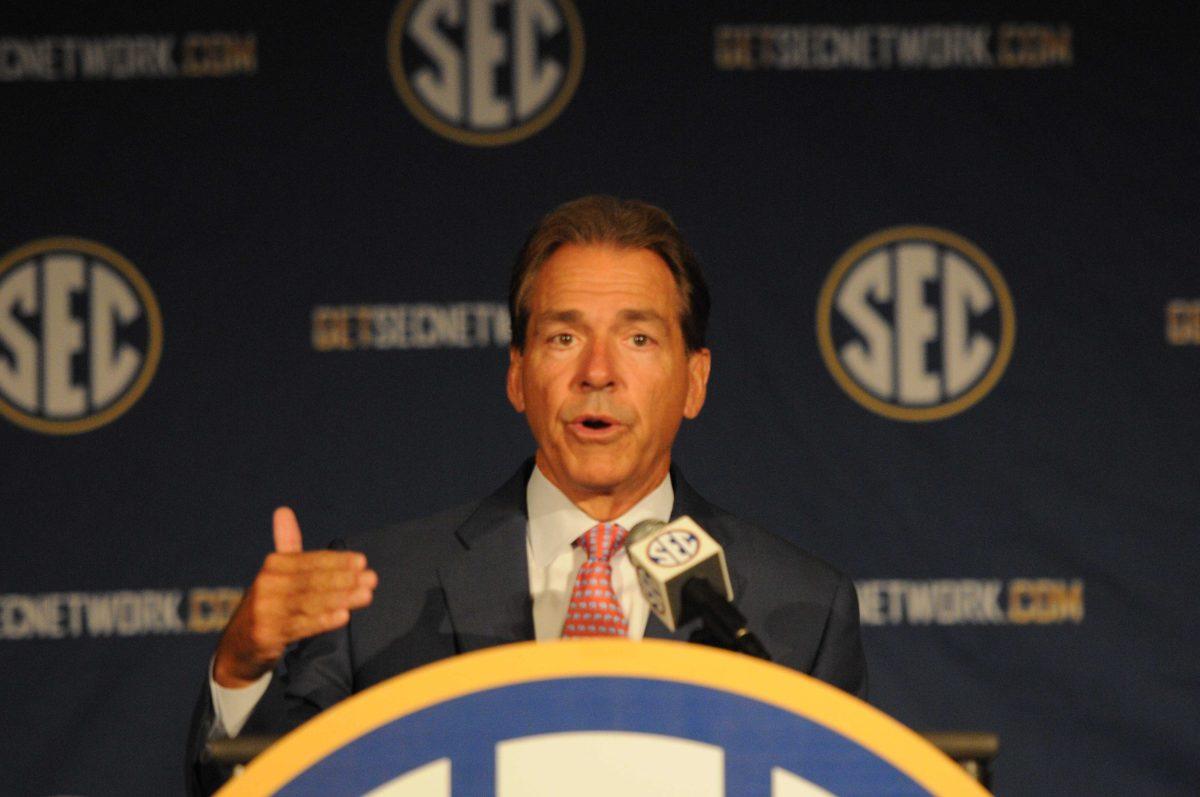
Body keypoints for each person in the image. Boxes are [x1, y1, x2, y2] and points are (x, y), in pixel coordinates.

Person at [186, 196, 866, 794]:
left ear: (695, 379)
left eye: (637, 337)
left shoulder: (796, 608)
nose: (597, 372)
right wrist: (242, 666)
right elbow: (262, 786)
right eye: (563, 337)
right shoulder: (377, 590)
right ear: (518, 376)